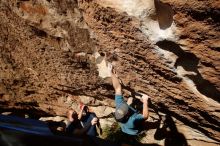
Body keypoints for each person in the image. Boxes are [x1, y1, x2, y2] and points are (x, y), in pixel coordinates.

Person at [111, 69, 150, 136]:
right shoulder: (133, 121)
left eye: (124, 107)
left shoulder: (119, 105)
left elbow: (117, 88)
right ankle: (142, 132)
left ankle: (134, 104)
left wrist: (112, 74)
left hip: (124, 123)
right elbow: (145, 116)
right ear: (128, 116)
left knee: (130, 99)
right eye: (126, 109)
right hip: (133, 130)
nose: (124, 106)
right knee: (143, 123)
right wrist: (145, 101)